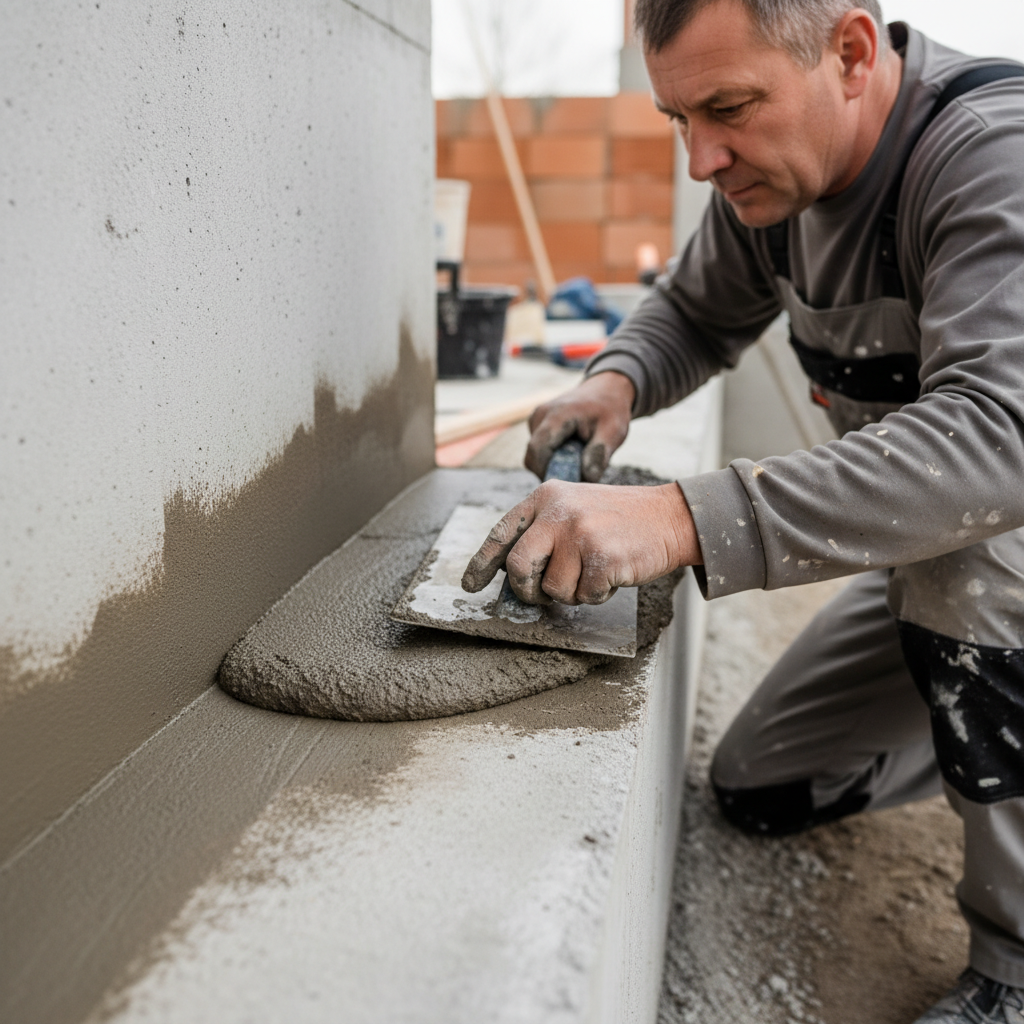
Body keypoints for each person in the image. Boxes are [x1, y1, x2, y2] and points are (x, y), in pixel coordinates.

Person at [461, 1, 1024, 1019]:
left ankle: (1013, 968)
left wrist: (680, 517)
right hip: (956, 579)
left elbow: (999, 440)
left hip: (999, 550)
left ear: (849, 52)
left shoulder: (990, 157)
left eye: (726, 108)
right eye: (679, 119)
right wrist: (614, 383)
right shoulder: (778, 184)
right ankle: (982, 743)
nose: (700, 159)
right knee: (765, 783)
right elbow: (690, 309)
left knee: (977, 559)